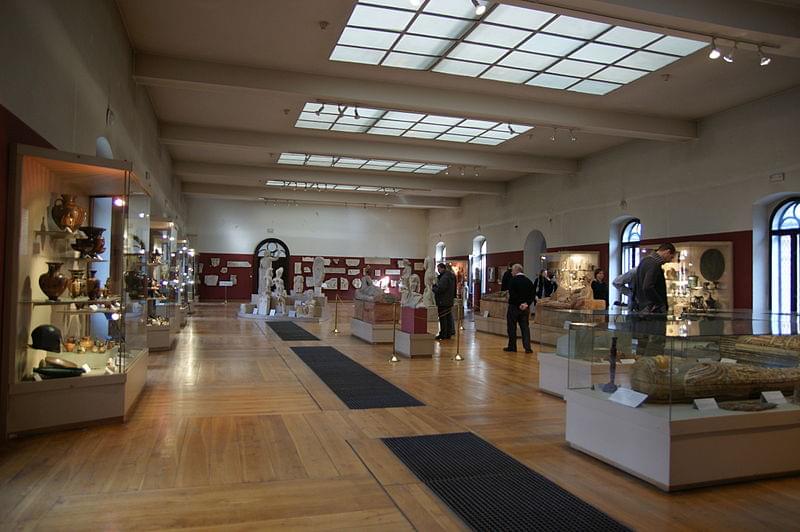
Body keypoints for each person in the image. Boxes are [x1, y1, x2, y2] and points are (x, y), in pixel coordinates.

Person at [632, 243, 676, 313]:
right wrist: (659, 303)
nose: (669, 260)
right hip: (652, 310)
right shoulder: (653, 264)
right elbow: (647, 287)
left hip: (643, 306)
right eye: (671, 257)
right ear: (667, 252)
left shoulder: (644, 261)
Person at [504, 264, 535, 353]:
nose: (511, 272)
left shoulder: (512, 281)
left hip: (514, 307)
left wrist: (519, 304)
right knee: (525, 327)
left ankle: (512, 346)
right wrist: (526, 304)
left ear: (516, 270)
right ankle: (527, 347)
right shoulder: (528, 281)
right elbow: (532, 295)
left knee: (512, 327)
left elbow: (513, 294)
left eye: (512, 271)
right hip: (525, 308)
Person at [433, 263, 456, 340]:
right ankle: (448, 334)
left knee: (443, 318)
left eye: (439, 269)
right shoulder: (451, 276)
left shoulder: (445, 277)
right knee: (448, 318)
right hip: (449, 300)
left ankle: (443, 334)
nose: (438, 271)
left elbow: (441, 289)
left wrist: (434, 288)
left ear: (442, 268)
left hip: (443, 301)